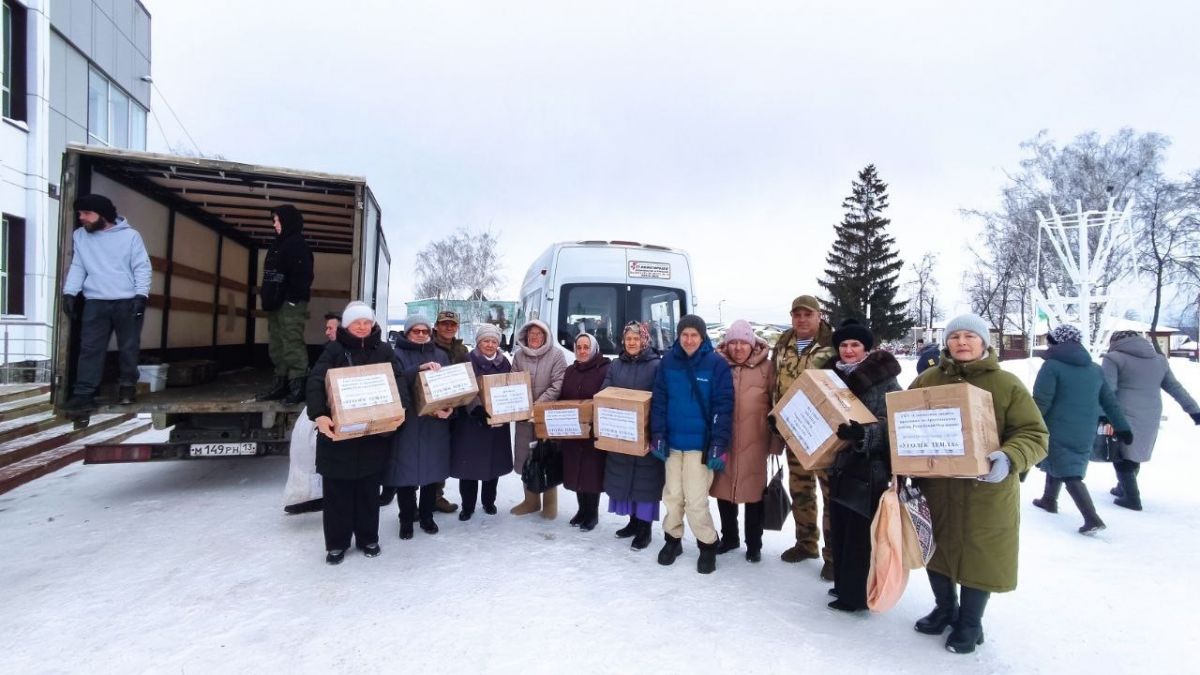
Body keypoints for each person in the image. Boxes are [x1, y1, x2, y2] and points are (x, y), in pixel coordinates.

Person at [908, 313, 1048, 654]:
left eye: (970, 336)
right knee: (935, 548)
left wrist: (1010, 457)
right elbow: (903, 423)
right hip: (937, 487)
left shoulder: (1006, 384)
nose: (962, 342)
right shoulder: (927, 379)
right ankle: (945, 608)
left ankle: (970, 622)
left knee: (979, 555)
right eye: (955, 337)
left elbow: (1035, 434)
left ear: (984, 342)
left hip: (985, 490)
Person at [307, 301, 406, 564]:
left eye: (366, 322)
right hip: (339, 437)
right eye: (356, 323)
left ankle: (367, 538)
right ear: (347, 325)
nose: (362, 327)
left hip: (373, 435)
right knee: (337, 493)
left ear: (373, 324)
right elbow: (316, 381)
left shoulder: (384, 350)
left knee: (368, 492)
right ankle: (337, 544)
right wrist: (319, 414)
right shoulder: (334, 350)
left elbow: (398, 381)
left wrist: (402, 409)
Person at [821, 320, 902, 612]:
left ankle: (856, 596)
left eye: (855, 345)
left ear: (866, 349)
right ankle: (843, 584)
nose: (848, 350)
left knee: (859, 533)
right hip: (838, 463)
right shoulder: (829, 378)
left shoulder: (884, 379)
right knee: (840, 526)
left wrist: (864, 435)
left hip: (869, 466)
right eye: (843, 345)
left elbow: (894, 422)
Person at [650, 314, 734, 574]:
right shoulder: (667, 362)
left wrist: (719, 444)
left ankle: (707, 545)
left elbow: (724, 406)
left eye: (694, 335)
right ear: (678, 335)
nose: (688, 340)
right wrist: (658, 434)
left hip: (701, 445)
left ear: (702, 336)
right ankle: (672, 540)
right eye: (684, 334)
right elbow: (660, 401)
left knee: (696, 501)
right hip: (673, 443)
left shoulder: (716, 365)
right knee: (673, 496)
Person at [1031, 325, 1131, 534]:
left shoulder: (1052, 367)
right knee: (1062, 462)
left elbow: (1041, 402)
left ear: (1056, 342)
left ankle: (1091, 518)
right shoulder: (1095, 369)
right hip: (1085, 429)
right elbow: (1110, 402)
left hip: (1056, 427)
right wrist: (1122, 427)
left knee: (1070, 472)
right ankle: (1049, 500)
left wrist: (1026, 424)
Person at [61, 194, 152, 410]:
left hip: (127, 300)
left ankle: (128, 388)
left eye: (86, 213)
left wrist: (141, 296)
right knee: (90, 348)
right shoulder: (80, 236)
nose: (82, 218)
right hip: (95, 301)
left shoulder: (130, 237)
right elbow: (78, 266)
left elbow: (141, 266)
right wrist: (70, 293)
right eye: (80, 214)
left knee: (128, 348)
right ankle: (84, 394)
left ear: (103, 215)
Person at [770, 294, 836, 576]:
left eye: (807, 314)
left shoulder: (831, 345)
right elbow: (773, 380)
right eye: (797, 314)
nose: (802, 319)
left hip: (823, 431)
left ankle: (833, 555)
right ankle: (806, 542)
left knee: (830, 494)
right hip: (792, 428)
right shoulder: (783, 343)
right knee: (800, 488)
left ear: (819, 316)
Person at [1101, 330, 1200, 511]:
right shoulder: (1159, 360)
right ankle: (1122, 487)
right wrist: (1194, 410)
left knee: (1121, 453)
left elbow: (1107, 390)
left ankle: (1132, 498)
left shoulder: (1113, 358)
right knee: (1136, 450)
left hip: (1122, 413)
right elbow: (1175, 388)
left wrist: (1102, 415)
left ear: (1115, 342)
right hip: (1151, 413)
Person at [711, 320, 781, 563]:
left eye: (743, 342)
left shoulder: (768, 368)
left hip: (756, 441)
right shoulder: (717, 366)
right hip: (724, 440)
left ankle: (754, 543)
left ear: (752, 344)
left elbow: (776, 406)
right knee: (723, 490)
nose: (738, 348)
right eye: (733, 343)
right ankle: (730, 537)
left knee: (754, 495)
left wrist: (775, 443)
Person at [384, 314, 454, 538]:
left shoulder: (441, 354)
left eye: (425, 331)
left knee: (430, 475)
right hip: (408, 423)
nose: (422, 335)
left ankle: (426, 517)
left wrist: (449, 408)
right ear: (407, 333)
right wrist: (419, 368)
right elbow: (393, 381)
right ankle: (406, 519)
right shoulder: (397, 355)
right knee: (405, 475)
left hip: (434, 425)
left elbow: (451, 387)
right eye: (416, 331)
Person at [603, 322, 664, 550]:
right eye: (628, 339)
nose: (631, 343)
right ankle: (632, 522)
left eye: (636, 339)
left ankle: (645, 528)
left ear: (644, 340)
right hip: (621, 432)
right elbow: (605, 391)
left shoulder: (656, 365)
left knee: (645, 482)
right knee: (625, 479)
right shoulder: (616, 365)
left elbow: (660, 398)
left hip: (645, 435)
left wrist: (653, 430)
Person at [450, 323, 515, 520]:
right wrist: (477, 408)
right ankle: (467, 506)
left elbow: (510, 387)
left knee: (492, 465)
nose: (490, 345)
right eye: (486, 341)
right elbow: (465, 387)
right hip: (473, 422)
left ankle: (489, 501)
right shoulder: (467, 360)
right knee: (468, 466)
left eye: (494, 341)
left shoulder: (505, 363)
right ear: (478, 342)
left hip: (497, 423)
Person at [283, 312, 341, 515]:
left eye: (331, 328)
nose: (327, 332)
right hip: (319, 410)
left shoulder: (348, 351)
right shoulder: (328, 351)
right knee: (304, 450)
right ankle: (305, 496)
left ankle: (322, 495)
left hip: (337, 410)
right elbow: (315, 381)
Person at [257, 204, 315, 405]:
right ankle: (281, 383)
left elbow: (304, 276)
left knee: (291, 341)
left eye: (277, 220)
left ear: (287, 220)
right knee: (277, 344)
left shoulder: (297, 244)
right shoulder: (278, 245)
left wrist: (292, 299)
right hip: (275, 303)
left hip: (290, 303)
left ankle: (298, 386)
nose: (274, 224)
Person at [510, 319, 567, 518]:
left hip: (547, 416)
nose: (535, 337)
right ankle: (530, 501)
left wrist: (538, 406)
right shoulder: (519, 356)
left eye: (539, 334)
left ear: (546, 336)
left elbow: (558, 383)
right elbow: (513, 381)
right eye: (531, 334)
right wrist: (521, 406)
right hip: (524, 417)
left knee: (548, 457)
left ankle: (549, 505)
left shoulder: (556, 355)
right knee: (527, 457)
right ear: (525, 336)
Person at [559, 333, 612, 531]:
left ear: (594, 348)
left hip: (593, 432)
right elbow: (563, 396)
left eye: (586, 347)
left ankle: (592, 513)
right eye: (579, 347)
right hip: (573, 430)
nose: (582, 351)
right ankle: (581, 510)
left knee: (591, 473)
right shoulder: (571, 370)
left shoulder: (604, 369)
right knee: (576, 472)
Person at [428, 309, 468, 514]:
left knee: (443, 455)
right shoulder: (427, 346)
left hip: (454, 410)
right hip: (431, 411)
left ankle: (436, 496)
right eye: (444, 324)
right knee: (428, 455)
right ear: (436, 326)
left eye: (452, 325)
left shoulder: (461, 350)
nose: (449, 327)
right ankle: (424, 498)